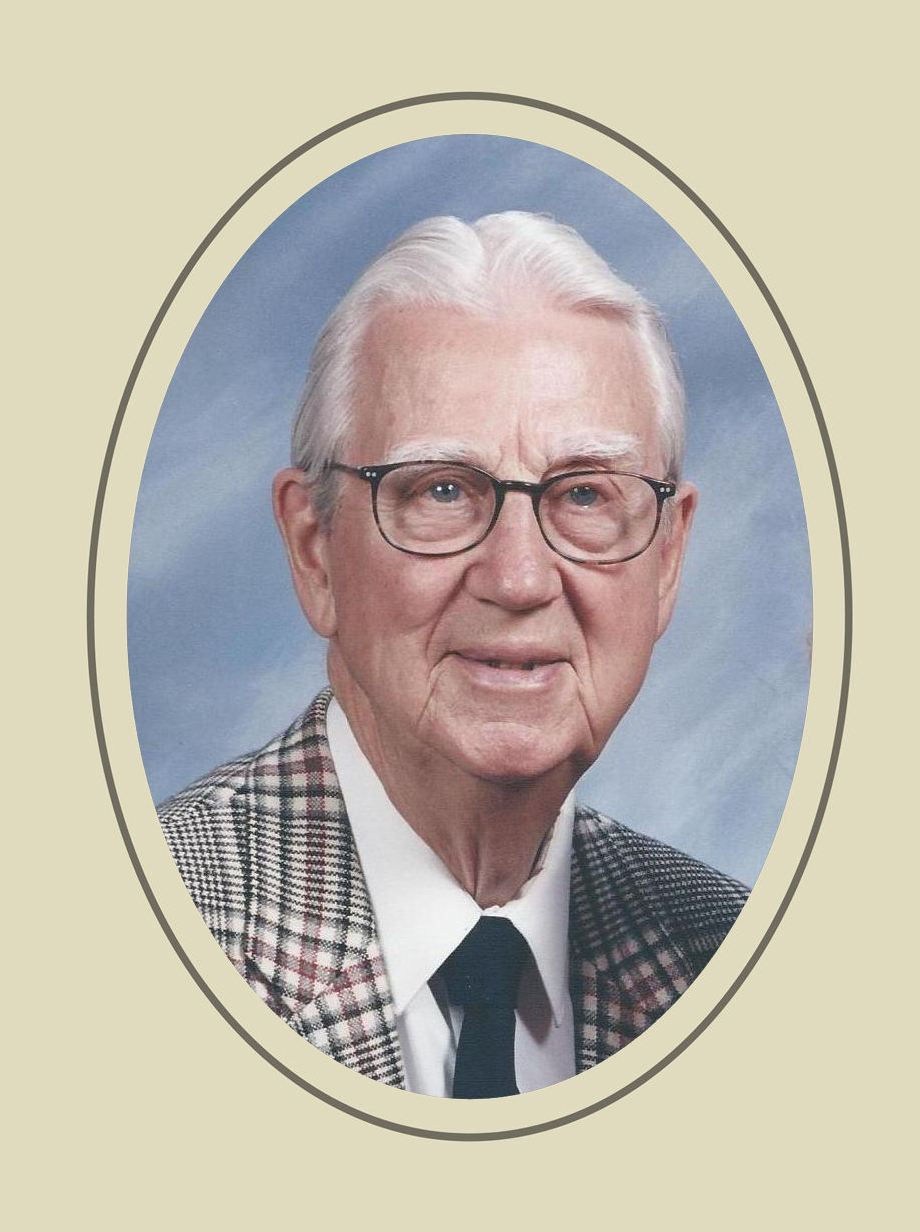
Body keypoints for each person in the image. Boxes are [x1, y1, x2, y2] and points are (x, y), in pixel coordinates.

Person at [159, 211, 748, 1099]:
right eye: (442, 490)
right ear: (315, 550)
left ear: (666, 560)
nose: (519, 578)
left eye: (585, 495)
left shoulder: (730, 954)